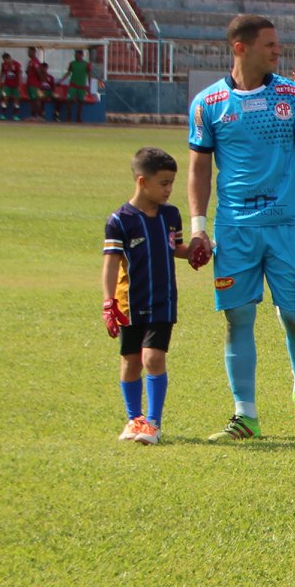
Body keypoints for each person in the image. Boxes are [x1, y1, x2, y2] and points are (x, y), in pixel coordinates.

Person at [187, 15, 295, 440]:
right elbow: (198, 170)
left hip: (288, 225)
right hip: (234, 229)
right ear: (241, 48)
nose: (277, 50)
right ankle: (245, 414)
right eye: (269, 44)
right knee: (237, 318)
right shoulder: (208, 103)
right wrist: (198, 226)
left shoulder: (291, 95)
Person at [102, 147, 196, 444]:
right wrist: (109, 303)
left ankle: (153, 423)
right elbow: (111, 264)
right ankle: (135, 420)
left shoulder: (170, 215)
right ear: (142, 181)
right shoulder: (120, 220)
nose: (169, 190)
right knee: (131, 361)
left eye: (172, 183)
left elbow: (174, 248)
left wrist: (194, 252)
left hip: (162, 301)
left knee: (153, 358)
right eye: (164, 183)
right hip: (130, 303)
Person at [62, 49, 92, 123]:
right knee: (68, 100)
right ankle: (69, 116)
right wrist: (60, 80)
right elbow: (68, 73)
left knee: (81, 102)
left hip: (82, 86)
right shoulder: (72, 63)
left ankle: (79, 117)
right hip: (72, 85)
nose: (75, 56)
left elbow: (89, 75)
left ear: (81, 55)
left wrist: (89, 86)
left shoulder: (86, 64)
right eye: (75, 54)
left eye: (77, 54)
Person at [0, 52, 23, 120]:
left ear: (9, 58)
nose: (5, 62)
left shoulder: (17, 64)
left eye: (6, 60)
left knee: (16, 100)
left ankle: (15, 115)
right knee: (5, 98)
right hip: (6, 86)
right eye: (4, 60)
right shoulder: (4, 65)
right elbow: (2, 74)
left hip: (15, 86)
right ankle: (2, 114)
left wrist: (19, 86)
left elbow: (20, 75)